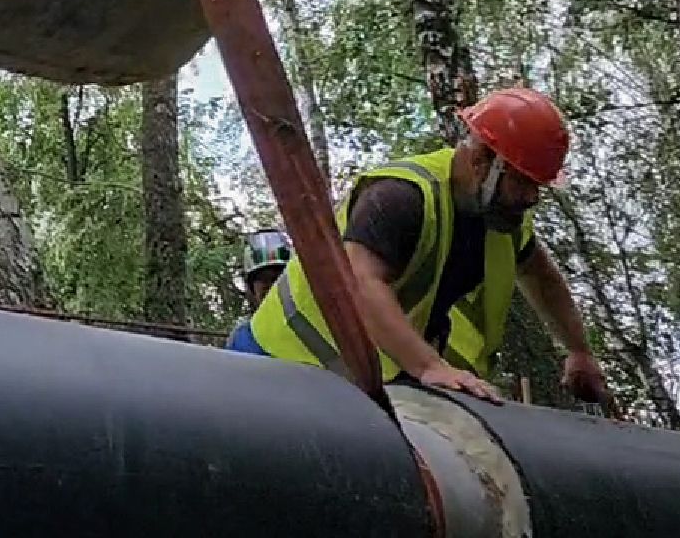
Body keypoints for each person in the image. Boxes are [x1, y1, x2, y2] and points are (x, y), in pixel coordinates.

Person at [232, 87, 610, 407]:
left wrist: (578, 351)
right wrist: (429, 366)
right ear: (482, 161)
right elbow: (360, 284)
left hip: (346, 381)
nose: (532, 198)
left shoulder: (502, 218)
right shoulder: (402, 197)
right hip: (274, 357)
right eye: (524, 182)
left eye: (538, 186)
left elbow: (542, 278)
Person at [224, 229, 291, 352]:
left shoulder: (314, 325)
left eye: (278, 277)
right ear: (251, 288)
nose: (272, 285)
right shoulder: (242, 337)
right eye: (263, 279)